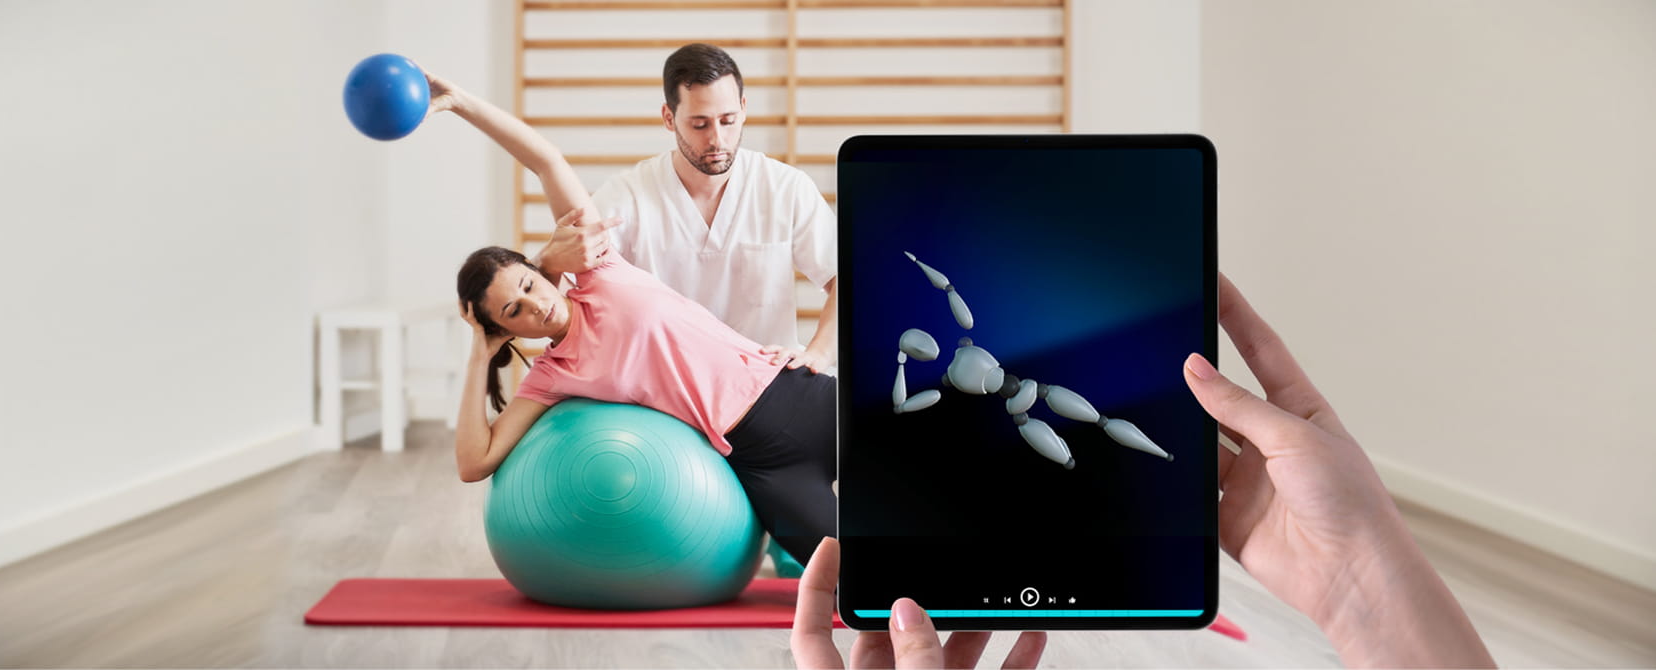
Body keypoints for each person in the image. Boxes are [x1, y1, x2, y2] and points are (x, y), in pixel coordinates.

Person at [791, 274, 1497, 669]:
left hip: (1020, 400)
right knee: (1081, 437)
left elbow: (935, 326)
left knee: (1084, 436)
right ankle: (1148, 457)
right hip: (1020, 402)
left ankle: (1151, 457)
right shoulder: (949, 362)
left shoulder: (953, 352)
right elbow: (908, 391)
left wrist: (1356, 576)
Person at [432, 70, 837, 567]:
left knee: (934, 460)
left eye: (528, 285)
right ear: (508, 329)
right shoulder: (552, 376)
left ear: (542, 270)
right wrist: (479, 352)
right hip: (757, 461)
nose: (535, 305)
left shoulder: (600, 269)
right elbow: (475, 463)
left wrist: (458, 102)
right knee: (859, 585)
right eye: (514, 311)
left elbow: (544, 160)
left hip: (794, 396)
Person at [530, 43, 839, 375]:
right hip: (666, 389)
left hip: (767, 382)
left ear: (744, 109)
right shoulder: (629, 195)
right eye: (700, 124)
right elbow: (575, 298)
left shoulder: (785, 187)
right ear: (668, 117)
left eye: (728, 120)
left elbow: (844, 278)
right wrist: (547, 261)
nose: (717, 139)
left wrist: (819, 353)